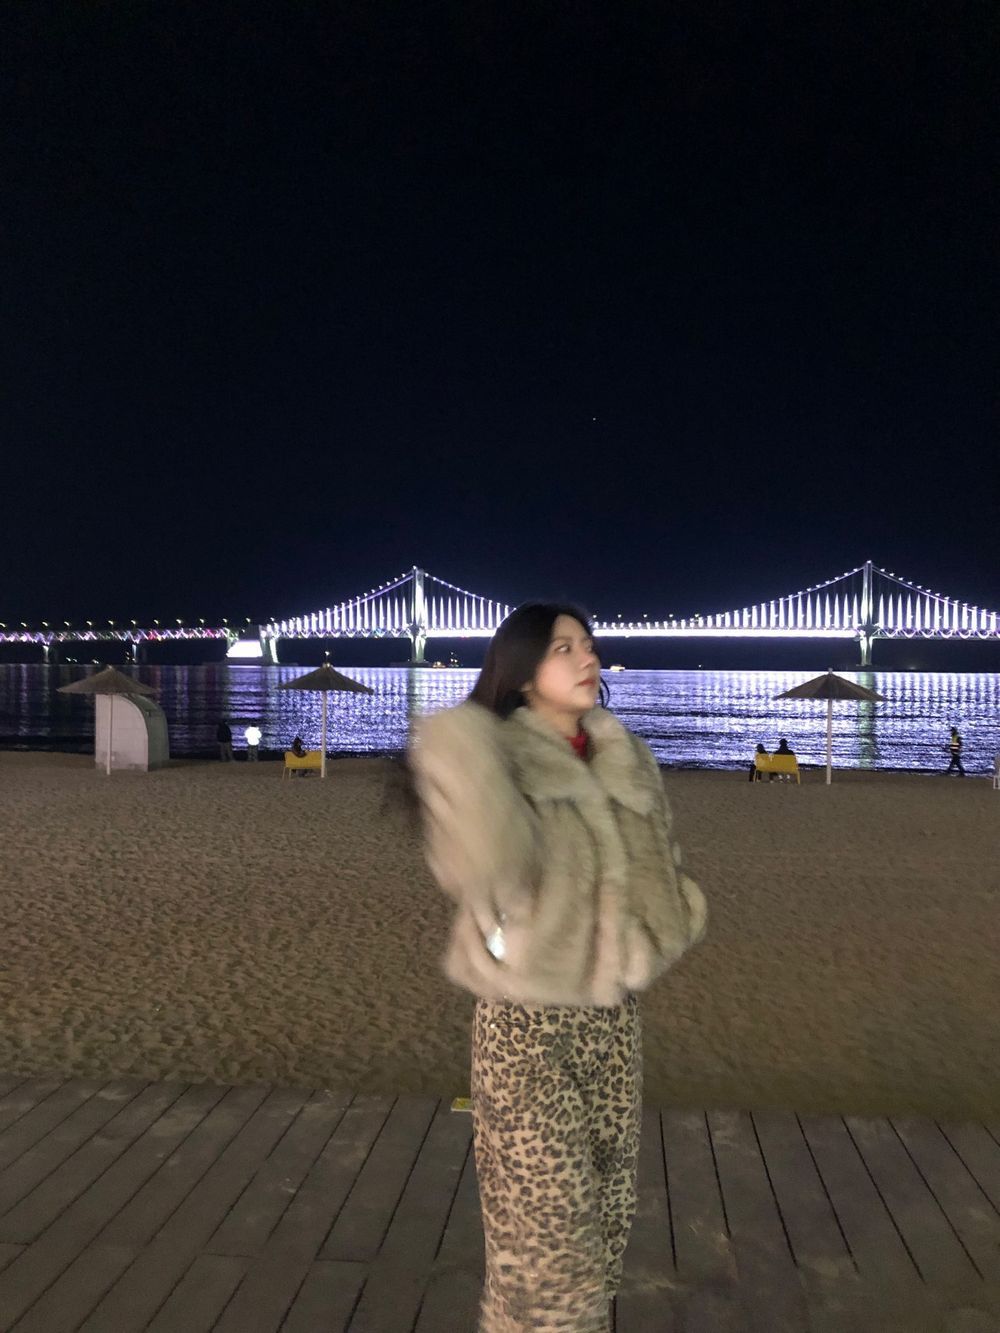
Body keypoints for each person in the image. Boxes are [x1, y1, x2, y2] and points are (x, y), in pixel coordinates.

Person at [410, 603, 707, 1333]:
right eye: (562, 648)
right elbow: (476, 865)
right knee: (547, 1247)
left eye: (588, 644)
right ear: (521, 672)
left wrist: (671, 921)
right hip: (526, 1029)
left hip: (613, 1025)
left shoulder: (625, 758)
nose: (587, 658)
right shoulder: (500, 760)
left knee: (604, 1224)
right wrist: (460, 752)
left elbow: (659, 869)